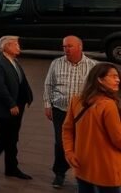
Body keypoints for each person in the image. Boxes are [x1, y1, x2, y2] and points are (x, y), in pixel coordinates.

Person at [44, 36, 98, 189]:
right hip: (60, 111)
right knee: (61, 144)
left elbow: (96, 89)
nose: (66, 49)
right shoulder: (56, 63)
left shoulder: (93, 66)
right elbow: (48, 84)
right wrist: (47, 105)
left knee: (83, 145)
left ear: (80, 47)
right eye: (64, 46)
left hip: (83, 113)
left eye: (70, 46)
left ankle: (84, 175)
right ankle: (59, 173)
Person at [61, 63, 121, 192]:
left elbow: (67, 129)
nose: (118, 80)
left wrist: (69, 152)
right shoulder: (108, 105)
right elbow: (118, 140)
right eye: (113, 76)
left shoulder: (76, 101)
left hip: (82, 165)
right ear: (99, 79)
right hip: (107, 168)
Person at [0, 35, 34, 180]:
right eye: (15, 44)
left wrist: (28, 97)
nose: (18, 46)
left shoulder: (14, 61)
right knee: (5, 137)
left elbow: (21, 81)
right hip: (6, 108)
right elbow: (0, 87)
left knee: (13, 138)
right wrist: (11, 104)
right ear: (7, 47)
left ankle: (11, 168)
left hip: (18, 105)